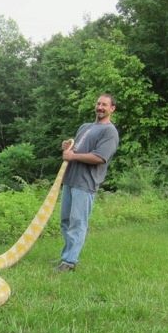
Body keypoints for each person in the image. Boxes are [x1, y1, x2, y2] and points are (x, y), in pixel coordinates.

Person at [56, 94, 119, 272]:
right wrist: (68, 147)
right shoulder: (85, 127)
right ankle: (66, 257)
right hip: (70, 179)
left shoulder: (110, 132)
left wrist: (73, 156)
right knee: (66, 221)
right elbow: (75, 150)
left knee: (78, 222)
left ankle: (69, 262)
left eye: (104, 105)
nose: (100, 107)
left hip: (86, 183)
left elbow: (100, 157)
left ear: (112, 109)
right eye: (98, 103)